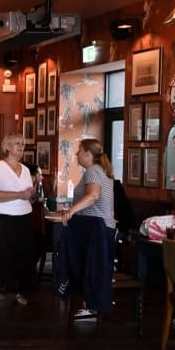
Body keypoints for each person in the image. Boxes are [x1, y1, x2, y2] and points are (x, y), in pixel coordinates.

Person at [49, 138, 116, 322]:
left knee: (89, 268)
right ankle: (89, 305)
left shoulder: (94, 170)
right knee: (89, 268)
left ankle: (91, 306)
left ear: (87, 153)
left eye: (79, 150)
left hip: (97, 231)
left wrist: (71, 211)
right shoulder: (100, 170)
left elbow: (93, 195)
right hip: (100, 229)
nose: (76, 154)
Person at [0, 135, 39, 305]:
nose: (21, 146)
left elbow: (28, 195)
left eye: (23, 144)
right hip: (1, 217)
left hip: (23, 216)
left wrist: (31, 193)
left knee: (20, 255)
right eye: (17, 144)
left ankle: (17, 290)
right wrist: (19, 195)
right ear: (7, 147)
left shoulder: (26, 169)